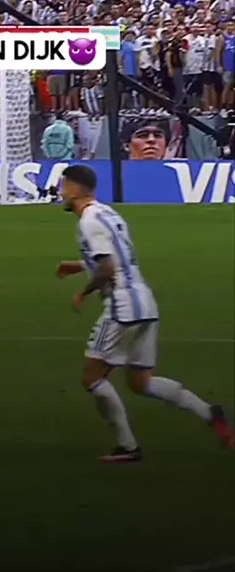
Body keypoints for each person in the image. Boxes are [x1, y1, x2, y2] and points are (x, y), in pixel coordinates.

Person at [55, 164, 233, 463]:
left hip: (122, 307)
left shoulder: (88, 221)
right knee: (141, 383)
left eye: (64, 187)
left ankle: (127, 446)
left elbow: (108, 268)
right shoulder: (108, 213)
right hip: (145, 302)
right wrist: (80, 264)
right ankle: (209, 412)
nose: (61, 193)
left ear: (74, 190)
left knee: (92, 378)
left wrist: (82, 293)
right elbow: (122, 257)